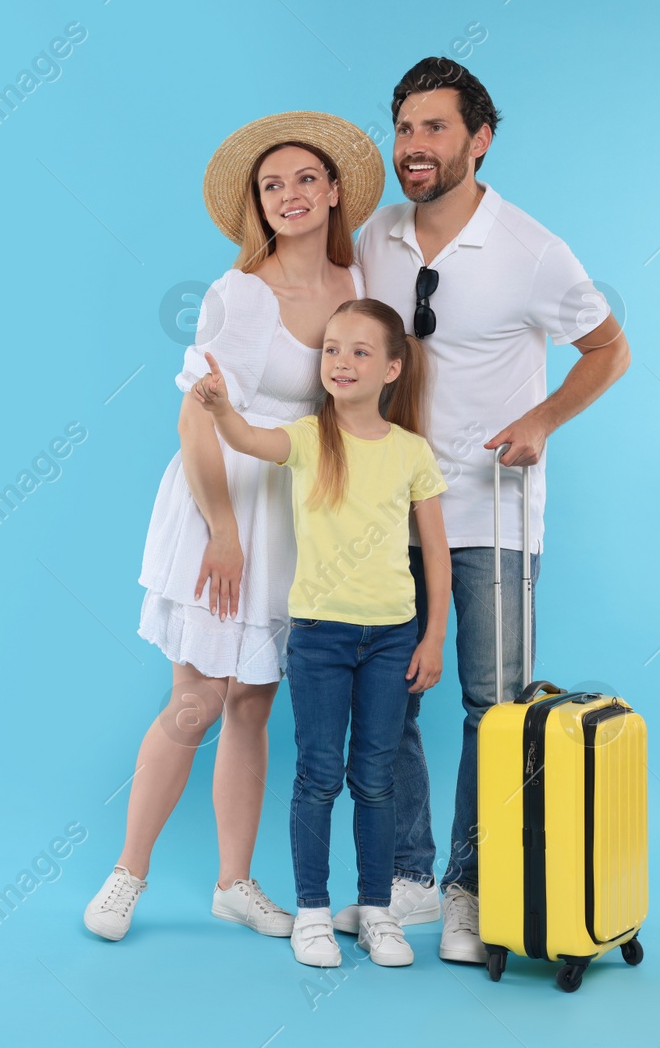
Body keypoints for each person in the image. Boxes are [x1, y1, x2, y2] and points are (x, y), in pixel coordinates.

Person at [338, 57, 632, 962]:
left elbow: (609, 349)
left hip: (494, 510)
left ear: (479, 138)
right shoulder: (375, 238)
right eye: (404, 128)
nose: (414, 147)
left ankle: (474, 884)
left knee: (491, 704)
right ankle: (414, 877)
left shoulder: (533, 249)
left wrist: (542, 418)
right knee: (388, 691)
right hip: (395, 513)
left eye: (435, 128)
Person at [83, 113, 384, 942]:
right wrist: (222, 529)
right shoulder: (240, 293)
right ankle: (126, 876)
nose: (289, 195)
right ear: (258, 203)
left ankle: (233, 882)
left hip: (292, 511)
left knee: (252, 702)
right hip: (222, 501)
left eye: (303, 180)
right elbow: (195, 419)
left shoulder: (357, 283)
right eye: (272, 185)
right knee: (194, 700)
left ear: (332, 192)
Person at [192, 298, 452, 967]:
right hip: (319, 639)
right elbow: (252, 440)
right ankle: (312, 910)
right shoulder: (309, 438)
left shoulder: (411, 453)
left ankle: (376, 912)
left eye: (360, 351)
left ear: (393, 367)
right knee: (318, 775)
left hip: (393, 637)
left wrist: (433, 637)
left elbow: (437, 553)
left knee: (374, 778)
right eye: (332, 348)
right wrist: (221, 410)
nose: (341, 361)